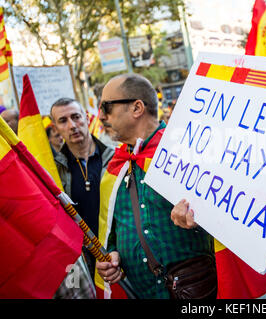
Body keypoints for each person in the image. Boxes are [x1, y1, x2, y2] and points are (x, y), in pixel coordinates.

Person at [95, 73, 215, 299]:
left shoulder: (186, 150)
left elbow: (227, 218)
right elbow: (112, 231)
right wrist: (112, 255)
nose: (100, 116)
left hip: (195, 292)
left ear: (137, 108)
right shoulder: (115, 168)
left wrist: (199, 216)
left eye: (107, 107)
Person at [50, 97, 115, 282]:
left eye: (76, 117)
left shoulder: (115, 157)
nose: (72, 125)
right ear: (55, 128)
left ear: (87, 118)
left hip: (115, 253)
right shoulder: (53, 171)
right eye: (63, 121)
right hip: (77, 261)